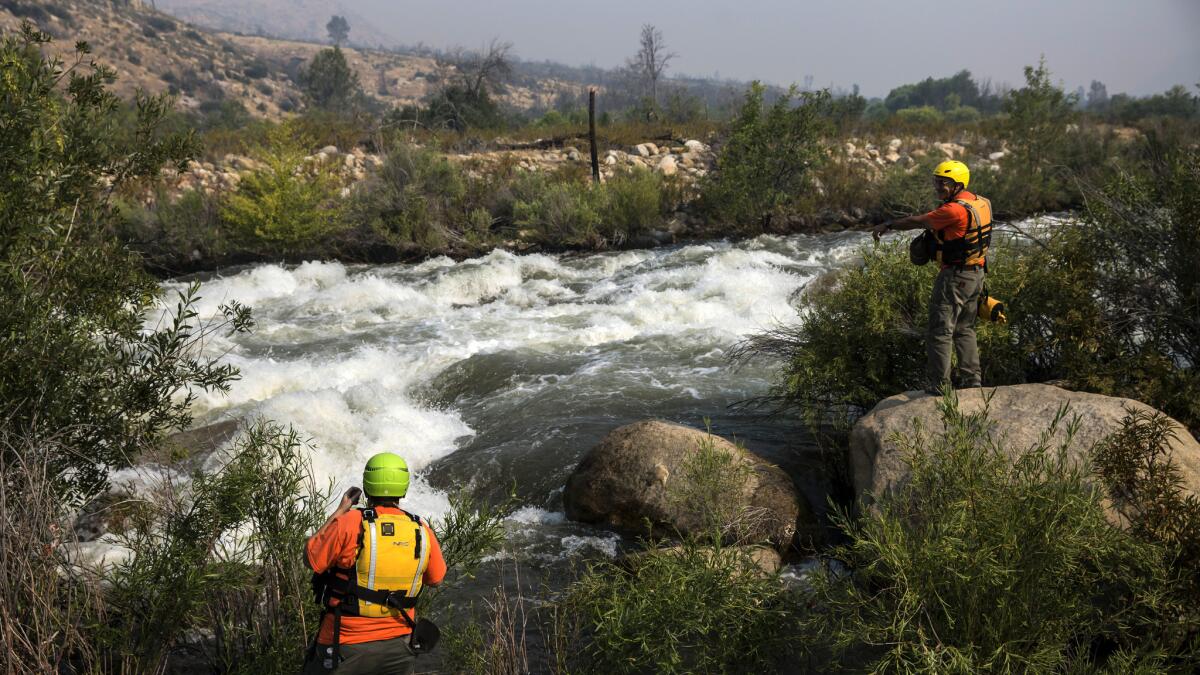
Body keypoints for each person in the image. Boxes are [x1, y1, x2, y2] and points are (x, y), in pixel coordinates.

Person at [303, 452, 446, 674]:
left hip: (344, 644)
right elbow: (435, 579)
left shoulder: (349, 523)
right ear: (404, 488)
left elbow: (312, 559)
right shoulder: (422, 530)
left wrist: (340, 511)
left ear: (367, 486)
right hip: (400, 646)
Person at [872, 160, 993, 394]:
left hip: (955, 278)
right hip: (976, 275)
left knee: (940, 331)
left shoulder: (954, 210)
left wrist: (888, 224)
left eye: (943, 183)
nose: (938, 187)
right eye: (936, 182)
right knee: (965, 329)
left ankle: (940, 387)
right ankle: (972, 381)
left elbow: (918, 221)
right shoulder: (982, 203)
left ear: (958, 184)